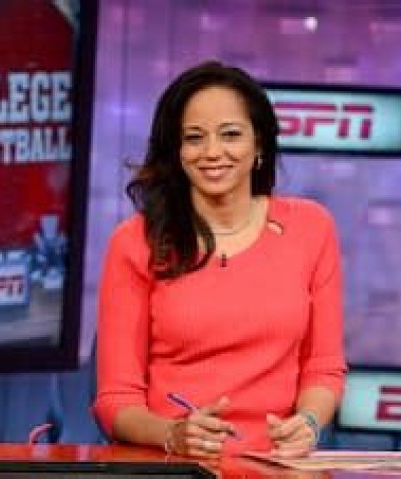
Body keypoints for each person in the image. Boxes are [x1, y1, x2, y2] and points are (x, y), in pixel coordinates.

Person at [93, 60, 346, 458]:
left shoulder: (311, 228)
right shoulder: (135, 242)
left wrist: (309, 423)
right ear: (177, 151)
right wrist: (174, 434)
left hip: (274, 465)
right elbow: (115, 400)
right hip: (173, 465)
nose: (212, 152)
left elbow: (324, 367)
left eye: (230, 134)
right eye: (194, 138)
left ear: (259, 144)